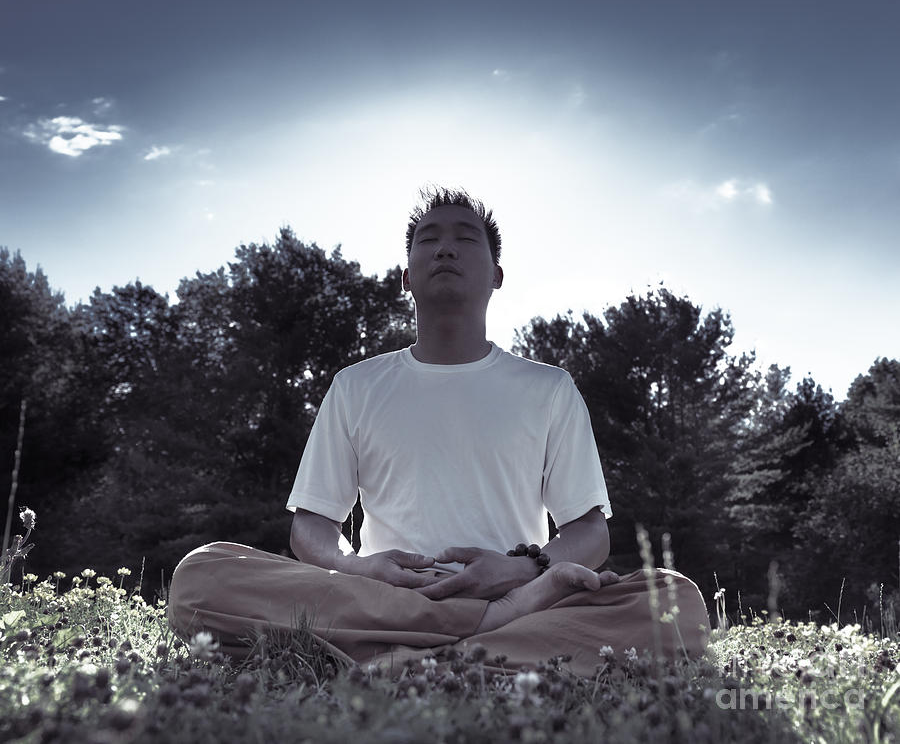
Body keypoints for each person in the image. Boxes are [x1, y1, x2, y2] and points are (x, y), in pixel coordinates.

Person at [168, 186, 709, 676]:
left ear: (497, 274)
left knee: (677, 603)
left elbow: (588, 532)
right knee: (202, 575)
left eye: (465, 238)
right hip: (380, 601)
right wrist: (357, 568)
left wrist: (523, 569)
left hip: (519, 591)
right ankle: (483, 645)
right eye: (428, 239)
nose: (445, 249)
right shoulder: (357, 385)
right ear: (407, 277)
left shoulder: (549, 388)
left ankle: (396, 654)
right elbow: (311, 527)